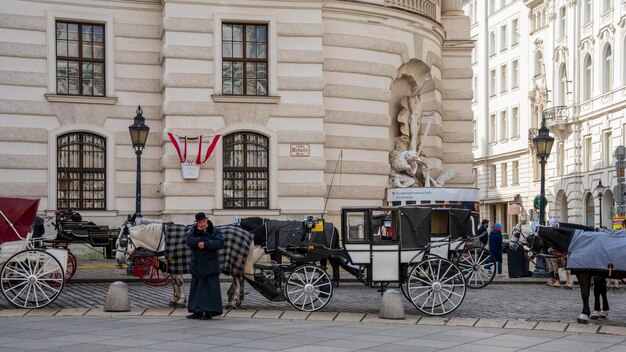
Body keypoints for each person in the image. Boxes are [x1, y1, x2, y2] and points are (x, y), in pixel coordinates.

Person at [186, 212, 225, 320]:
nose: (202, 224)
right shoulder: (193, 231)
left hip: (210, 265)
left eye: (203, 222)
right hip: (197, 265)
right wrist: (201, 241)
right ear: (197, 223)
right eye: (200, 222)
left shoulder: (215, 230)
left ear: (206, 221)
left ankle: (209, 312)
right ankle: (196, 311)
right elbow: (189, 241)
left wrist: (206, 244)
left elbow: (220, 243)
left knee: (210, 290)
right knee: (196, 290)